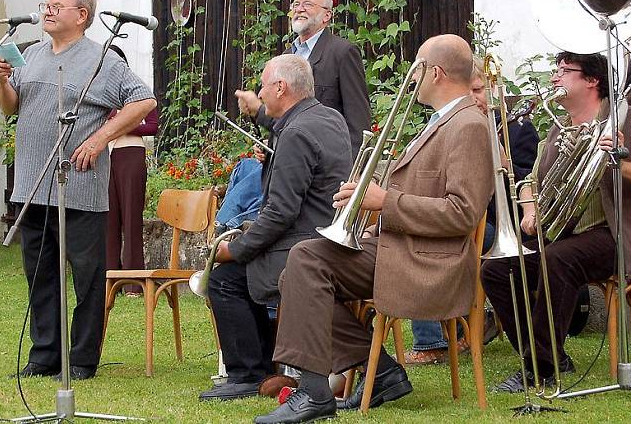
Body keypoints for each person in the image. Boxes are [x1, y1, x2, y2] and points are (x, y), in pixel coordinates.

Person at [254, 35, 494, 423]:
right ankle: (378, 371)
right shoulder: (444, 121)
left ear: (435, 72)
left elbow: (462, 213)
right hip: (399, 246)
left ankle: (317, 392)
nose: (411, 77)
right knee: (298, 270)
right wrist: (369, 210)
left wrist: (386, 202)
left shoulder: (468, 125)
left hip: (429, 262)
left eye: (417, 67)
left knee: (305, 259)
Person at [0, 0, 157, 380]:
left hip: (79, 188)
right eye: (45, 4)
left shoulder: (103, 61)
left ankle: (82, 359)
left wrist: (100, 138)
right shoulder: (31, 55)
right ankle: (45, 354)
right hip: (32, 184)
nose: (46, 11)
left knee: (87, 277)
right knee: (41, 275)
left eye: (56, 6)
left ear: (81, 15)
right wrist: (2, 83)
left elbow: (144, 100)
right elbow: (12, 108)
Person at [481, 52, 631, 393]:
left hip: (619, 235)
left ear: (592, 81)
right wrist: (529, 211)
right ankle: (548, 354)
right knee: (497, 270)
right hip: (568, 234)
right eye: (556, 70)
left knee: (559, 259)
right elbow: (531, 182)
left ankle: (540, 369)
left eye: (565, 71)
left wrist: (618, 164)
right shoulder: (559, 131)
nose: (555, 77)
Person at [199, 54, 352, 401]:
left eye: (264, 86)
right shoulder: (329, 118)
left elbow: (281, 213)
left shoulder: (296, 132)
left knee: (224, 280)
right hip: (324, 238)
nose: (260, 94)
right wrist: (275, 158)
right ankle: (268, 369)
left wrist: (236, 248)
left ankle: (248, 374)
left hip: (303, 248)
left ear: (280, 88)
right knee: (240, 269)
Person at [404, 62, 540, 366]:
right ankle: (471, 321)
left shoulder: (517, 129)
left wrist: (505, 166)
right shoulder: (452, 125)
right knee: (422, 230)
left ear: (493, 89)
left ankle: (433, 341)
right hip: (466, 219)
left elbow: (531, 184)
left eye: (479, 90)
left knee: (429, 237)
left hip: (502, 226)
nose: (475, 98)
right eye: (470, 91)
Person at [235, 0, 371, 164]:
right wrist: (270, 147)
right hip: (290, 167)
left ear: (327, 15)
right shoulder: (286, 57)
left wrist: (352, 173)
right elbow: (285, 120)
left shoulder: (343, 53)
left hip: (326, 168)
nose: (299, 9)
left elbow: (358, 121)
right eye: (296, 4)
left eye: (307, 4)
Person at [105, 45, 159, 295]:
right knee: (108, 219)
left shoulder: (137, 91)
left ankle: (133, 281)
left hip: (130, 154)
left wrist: (122, 125)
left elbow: (151, 126)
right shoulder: (101, 92)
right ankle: (109, 278)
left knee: (131, 217)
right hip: (106, 156)